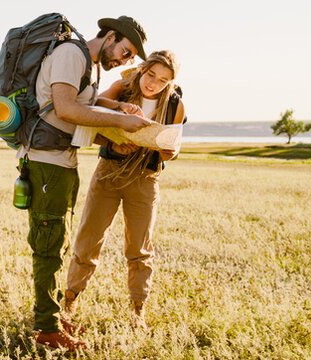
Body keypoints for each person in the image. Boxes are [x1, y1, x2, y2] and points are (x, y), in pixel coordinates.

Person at [20, 15, 155, 351]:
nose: (124, 60)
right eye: (125, 51)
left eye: (129, 58)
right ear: (110, 36)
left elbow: (83, 108)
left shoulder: (89, 64)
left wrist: (115, 118)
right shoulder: (71, 53)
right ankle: (47, 329)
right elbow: (65, 109)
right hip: (47, 162)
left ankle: (53, 314)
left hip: (63, 160)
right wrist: (119, 120)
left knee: (59, 240)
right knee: (48, 244)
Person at [62, 50, 186, 329]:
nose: (153, 84)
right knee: (89, 240)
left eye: (163, 80)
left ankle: (138, 310)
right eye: (151, 75)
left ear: (171, 82)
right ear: (142, 69)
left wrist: (167, 151)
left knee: (139, 247)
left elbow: (173, 149)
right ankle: (70, 299)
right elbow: (93, 107)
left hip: (145, 177)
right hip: (108, 171)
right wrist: (113, 136)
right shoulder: (123, 87)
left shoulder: (175, 104)